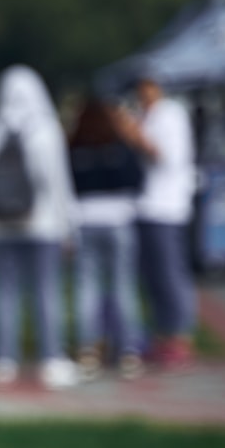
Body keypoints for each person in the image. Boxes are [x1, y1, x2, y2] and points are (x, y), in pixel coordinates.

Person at [0, 65, 79, 390]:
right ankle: (51, 359)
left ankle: (5, 360)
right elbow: (57, 183)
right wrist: (68, 225)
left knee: (5, 294)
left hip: (0, 227)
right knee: (46, 292)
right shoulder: (47, 130)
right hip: (43, 225)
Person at [114, 74, 198, 370]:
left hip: (166, 206)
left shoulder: (170, 115)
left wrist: (131, 133)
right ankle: (163, 334)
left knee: (169, 274)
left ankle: (179, 336)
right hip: (146, 205)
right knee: (152, 277)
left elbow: (165, 157)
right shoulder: (147, 115)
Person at [67, 96, 146, 381]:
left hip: (85, 220)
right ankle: (128, 351)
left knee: (86, 286)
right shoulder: (119, 146)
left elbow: (67, 186)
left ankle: (89, 349)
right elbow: (138, 180)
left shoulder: (74, 147)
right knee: (123, 285)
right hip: (119, 220)